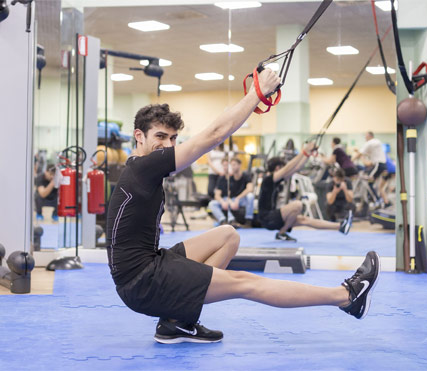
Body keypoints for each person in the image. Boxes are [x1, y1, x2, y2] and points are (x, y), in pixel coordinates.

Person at [106, 69, 379, 345]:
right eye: (161, 136)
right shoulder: (145, 167)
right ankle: (346, 297)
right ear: (139, 136)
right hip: (143, 282)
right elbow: (213, 134)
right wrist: (256, 94)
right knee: (245, 282)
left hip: (149, 266)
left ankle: (178, 321)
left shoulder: (141, 169)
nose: (168, 145)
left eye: (173, 139)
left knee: (228, 235)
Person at [257, 143, 353, 242]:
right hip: (267, 218)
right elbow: (288, 167)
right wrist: (304, 150)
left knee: (304, 220)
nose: (283, 169)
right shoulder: (268, 179)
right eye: (281, 167)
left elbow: (296, 168)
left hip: (273, 218)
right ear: (277, 168)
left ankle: (341, 226)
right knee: (297, 205)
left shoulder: (277, 180)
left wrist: (308, 154)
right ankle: (282, 233)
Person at [208, 157, 254, 227]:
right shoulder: (222, 179)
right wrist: (224, 202)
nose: (225, 167)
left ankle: (248, 221)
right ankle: (225, 220)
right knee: (213, 203)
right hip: (229, 200)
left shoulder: (241, 176)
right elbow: (223, 195)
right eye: (224, 165)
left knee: (250, 196)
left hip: (239, 199)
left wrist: (237, 199)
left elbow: (250, 189)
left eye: (227, 165)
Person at [352, 131, 388, 206]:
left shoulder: (370, 143)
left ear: (369, 136)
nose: (365, 138)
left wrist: (350, 161)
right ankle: (375, 199)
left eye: (366, 136)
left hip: (378, 165)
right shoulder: (376, 142)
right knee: (372, 183)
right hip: (382, 165)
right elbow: (364, 155)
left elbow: (360, 154)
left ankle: (377, 200)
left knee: (368, 182)